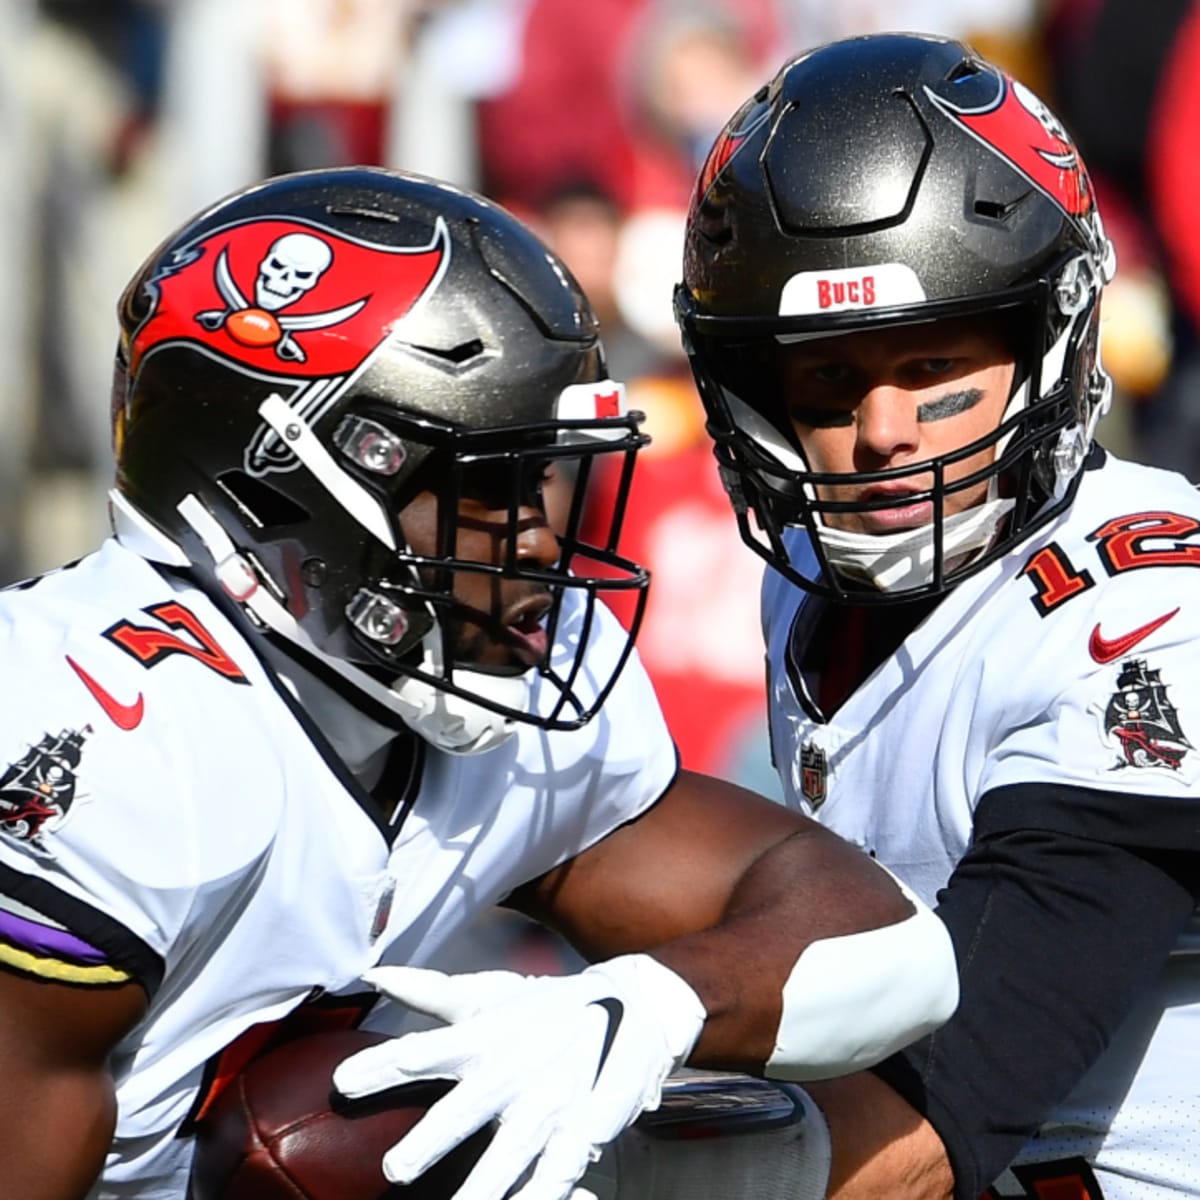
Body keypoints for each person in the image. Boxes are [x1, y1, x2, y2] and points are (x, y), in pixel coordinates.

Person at [0, 165, 958, 1200]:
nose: (543, 535)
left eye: (540, 474)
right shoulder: (108, 735)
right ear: (281, 498)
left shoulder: (491, 677)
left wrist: (648, 1004)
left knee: (801, 1138)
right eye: (480, 486)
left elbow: (886, 942)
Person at [673, 30, 1200, 1200]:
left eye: (934, 367)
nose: (883, 433)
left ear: (1046, 345)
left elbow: (930, 1125)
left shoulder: (1151, 613)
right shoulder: (811, 580)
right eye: (826, 379)